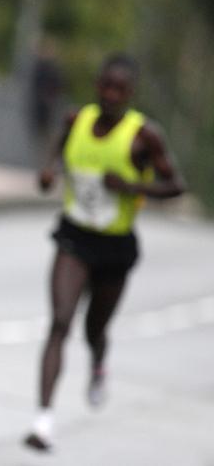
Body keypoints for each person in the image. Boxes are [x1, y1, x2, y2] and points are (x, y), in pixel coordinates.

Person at [23, 53, 185, 452]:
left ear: (131, 93)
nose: (112, 95)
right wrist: (48, 174)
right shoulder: (74, 121)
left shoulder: (144, 136)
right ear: (97, 86)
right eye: (106, 86)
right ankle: (43, 422)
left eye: (121, 89)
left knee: (94, 329)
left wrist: (133, 188)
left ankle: (98, 361)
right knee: (60, 322)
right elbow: (55, 157)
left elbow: (176, 185)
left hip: (115, 247)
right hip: (74, 237)